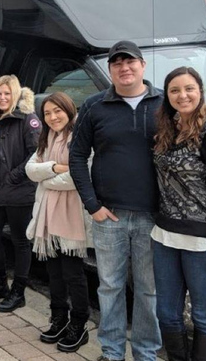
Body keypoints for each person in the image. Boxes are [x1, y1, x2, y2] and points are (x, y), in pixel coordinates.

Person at [69, 40, 163, 361]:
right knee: (110, 287)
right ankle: (111, 352)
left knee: (148, 291)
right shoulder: (95, 106)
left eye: (130, 62)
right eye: (117, 63)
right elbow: (77, 156)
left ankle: (146, 352)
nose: (124, 68)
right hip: (109, 216)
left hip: (153, 217)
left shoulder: (164, 104)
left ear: (142, 66)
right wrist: (92, 204)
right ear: (110, 70)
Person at [152, 67, 206, 361]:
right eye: (174, 90)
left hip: (203, 240)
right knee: (167, 313)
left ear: (200, 91)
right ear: (168, 95)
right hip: (164, 236)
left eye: (189, 88)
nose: (182, 95)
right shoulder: (167, 129)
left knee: (204, 315)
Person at [25, 92, 90, 353]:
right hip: (47, 217)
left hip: (72, 215)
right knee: (54, 274)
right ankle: (59, 318)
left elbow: (79, 176)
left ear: (69, 109)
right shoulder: (46, 138)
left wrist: (45, 176)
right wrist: (54, 168)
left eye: (57, 111)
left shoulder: (81, 136)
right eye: (47, 113)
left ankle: (79, 325)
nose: (53, 117)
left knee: (74, 274)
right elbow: (31, 170)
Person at [0, 75, 41, 312]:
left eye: (7, 94)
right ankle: (1, 283)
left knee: (20, 242)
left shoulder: (27, 120)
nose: (2, 98)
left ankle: (19, 292)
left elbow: (36, 154)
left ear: (15, 95)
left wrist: (13, 176)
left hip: (19, 191)